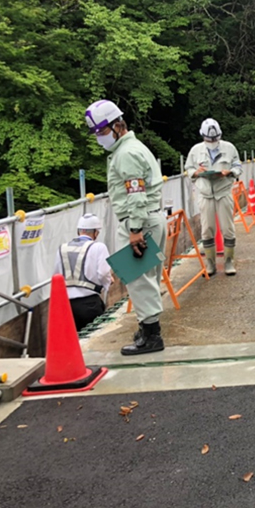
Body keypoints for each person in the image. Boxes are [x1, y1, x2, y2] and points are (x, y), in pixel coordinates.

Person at [85, 99, 166, 356]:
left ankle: (152, 336)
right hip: (147, 219)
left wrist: (134, 230)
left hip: (139, 222)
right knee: (145, 278)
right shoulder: (130, 148)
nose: (99, 138)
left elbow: (136, 194)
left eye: (102, 131)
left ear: (118, 126)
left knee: (139, 280)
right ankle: (147, 328)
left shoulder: (126, 153)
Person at [185, 119, 243, 276]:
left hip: (223, 191)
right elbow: (188, 168)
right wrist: (197, 172)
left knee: (228, 228)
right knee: (207, 229)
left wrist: (229, 172)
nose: (212, 142)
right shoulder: (196, 150)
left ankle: (229, 261)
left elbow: (238, 166)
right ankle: (210, 263)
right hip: (205, 193)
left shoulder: (229, 148)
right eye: (209, 139)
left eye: (215, 139)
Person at [53, 213, 112, 331]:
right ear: (96, 232)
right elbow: (103, 273)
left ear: (78, 230)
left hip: (67, 306)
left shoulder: (62, 248)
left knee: (75, 343)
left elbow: (57, 276)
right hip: (89, 303)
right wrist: (108, 283)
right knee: (93, 341)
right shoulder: (99, 247)